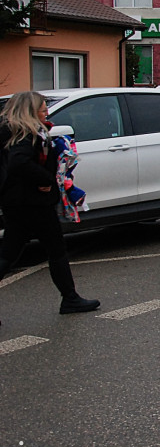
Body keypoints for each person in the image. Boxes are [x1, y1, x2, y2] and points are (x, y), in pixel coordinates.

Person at [0, 92, 100, 319]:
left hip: (18, 202)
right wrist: (45, 180)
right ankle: (70, 299)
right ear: (30, 111)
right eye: (43, 109)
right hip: (32, 203)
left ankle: (70, 297)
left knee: (11, 252)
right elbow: (19, 163)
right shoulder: (27, 133)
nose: (47, 112)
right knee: (54, 249)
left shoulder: (12, 131)